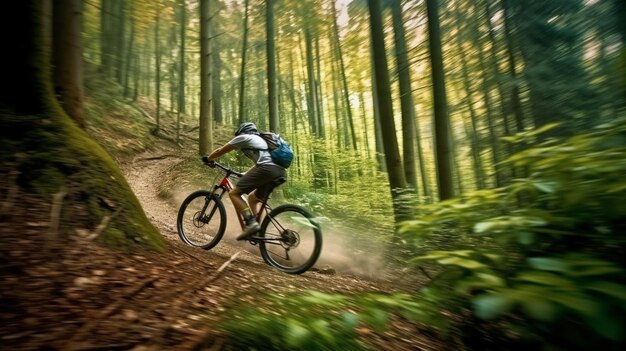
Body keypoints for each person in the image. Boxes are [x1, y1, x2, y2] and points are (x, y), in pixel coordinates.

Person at [202, 122, 286, 240]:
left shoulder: (244, 138)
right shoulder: (261, 141)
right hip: (279, 171)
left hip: (267, 169)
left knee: (234, 193)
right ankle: (257, 230)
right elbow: (260, 163)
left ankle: (251, 224)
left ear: (242, 131)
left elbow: (221, 150)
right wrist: (245, 174)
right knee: (253, 198)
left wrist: (208, 158)